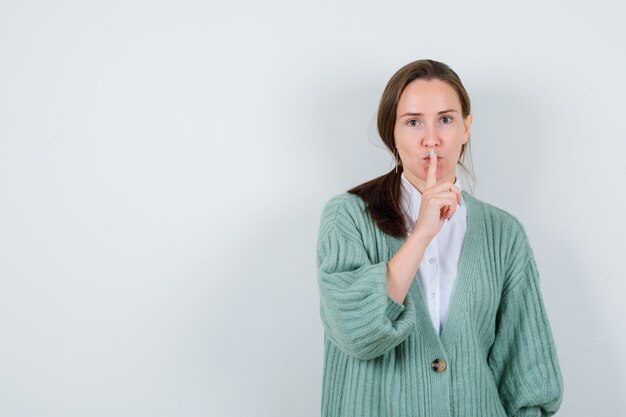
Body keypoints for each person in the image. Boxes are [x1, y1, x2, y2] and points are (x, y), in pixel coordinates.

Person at [315, 59, 564, 417]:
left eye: (445, 119)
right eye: (413, 122)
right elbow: (357, 333)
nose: (431, 138)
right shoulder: (348, 217)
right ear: (393, 135)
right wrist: (423, 233)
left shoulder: (503, 234)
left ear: (466, 128)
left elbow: (530, 377)